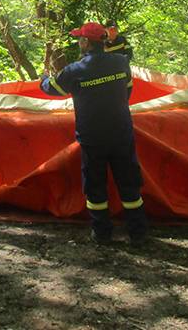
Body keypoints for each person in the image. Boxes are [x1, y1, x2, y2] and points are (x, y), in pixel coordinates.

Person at [40, 22, 148, 247]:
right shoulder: (121, 62)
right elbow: (127, 91)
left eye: (80, 38)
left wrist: (43, 79)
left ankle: (101, 233)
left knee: (95, 185)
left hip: (92, 136)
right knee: (129, 182)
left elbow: (52, 88)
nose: (79, 42)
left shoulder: (75, 70)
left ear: (86, 42)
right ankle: (137, 232)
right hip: (121, 131)